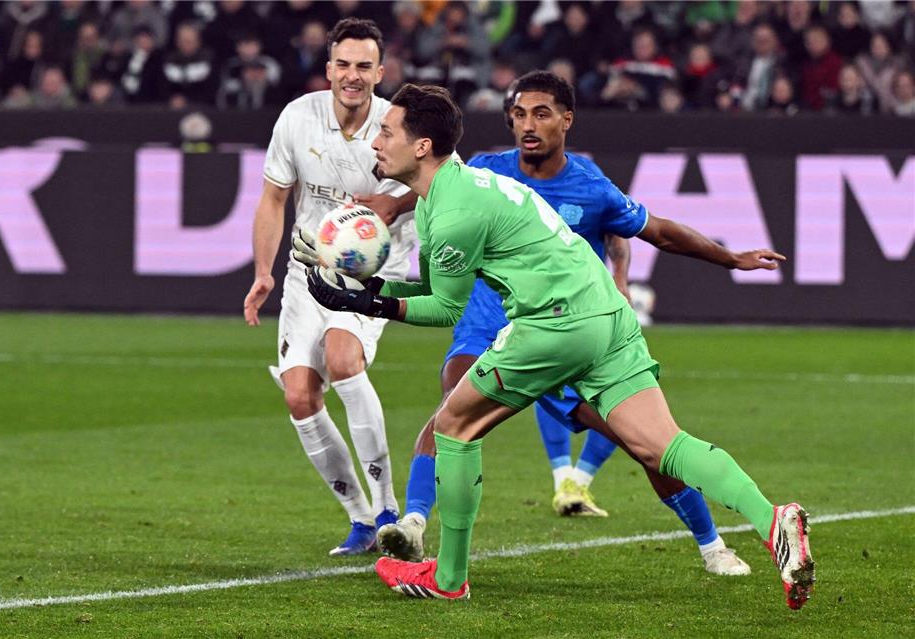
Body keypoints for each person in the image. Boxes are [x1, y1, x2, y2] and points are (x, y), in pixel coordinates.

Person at [301, 83, 815, 609]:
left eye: (386, 131)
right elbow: (431, 290)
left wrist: (366, 304)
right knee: (663, 445)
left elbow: (448, 310)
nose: (376, 141)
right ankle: (773, 519)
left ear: (423, 146)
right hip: (609, 316)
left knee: (453, 427)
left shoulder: (454, 214)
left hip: (554, 325)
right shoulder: (458, 191)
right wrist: (365, 292)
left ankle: (449, 577)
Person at [369, 71, 753, 578]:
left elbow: (649, 230)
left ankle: (712, 544)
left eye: (541, 113)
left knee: (641, 440)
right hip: (488, 319)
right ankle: (415, 523)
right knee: (452, 407)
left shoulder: (589, 185)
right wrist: (386, 208)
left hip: (562, 327)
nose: (527, 125)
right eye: (519, 114)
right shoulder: (483, 168)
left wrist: (725, 259)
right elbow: (425, 191)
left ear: (566, 120)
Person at [242, 18, 418, 557]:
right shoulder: (298, 117)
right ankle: (361, 520)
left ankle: (389, 508)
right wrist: (263, 271)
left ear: (380, 72)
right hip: (307, 268)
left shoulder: (399, 123)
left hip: (373, 271)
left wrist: (395, 203)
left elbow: (443, 173)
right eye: (343, 65)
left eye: (364, 66)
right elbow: (274, 197)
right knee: (299, 395)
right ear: (329, 69)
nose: (353, 76)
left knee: (343, 359)